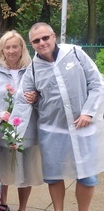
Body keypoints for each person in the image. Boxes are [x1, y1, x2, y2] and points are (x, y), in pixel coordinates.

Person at [10, 22, 104, 211]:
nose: (42, 42)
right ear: (31, 44)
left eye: (45, 37)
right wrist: (14, 134)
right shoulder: (34, 68)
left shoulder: (75, 53)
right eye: (36, 40)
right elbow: (22, 101)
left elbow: (97, 83)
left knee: (87, 176)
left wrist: (88, 111)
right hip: (52, 130)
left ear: (54, 36)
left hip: (82, 127)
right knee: (54, 175)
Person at [0, 30, 43, 211]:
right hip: (2, 132)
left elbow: (45, 96)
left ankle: (22, 207)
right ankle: (3, 203)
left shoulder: (33, 70)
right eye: (7, 47)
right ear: (2, 50)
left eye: (15, 46)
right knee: (2, 172)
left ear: (22, 48)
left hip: (27, 132)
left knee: (26, 173)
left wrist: (37, 97)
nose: (12, 50)